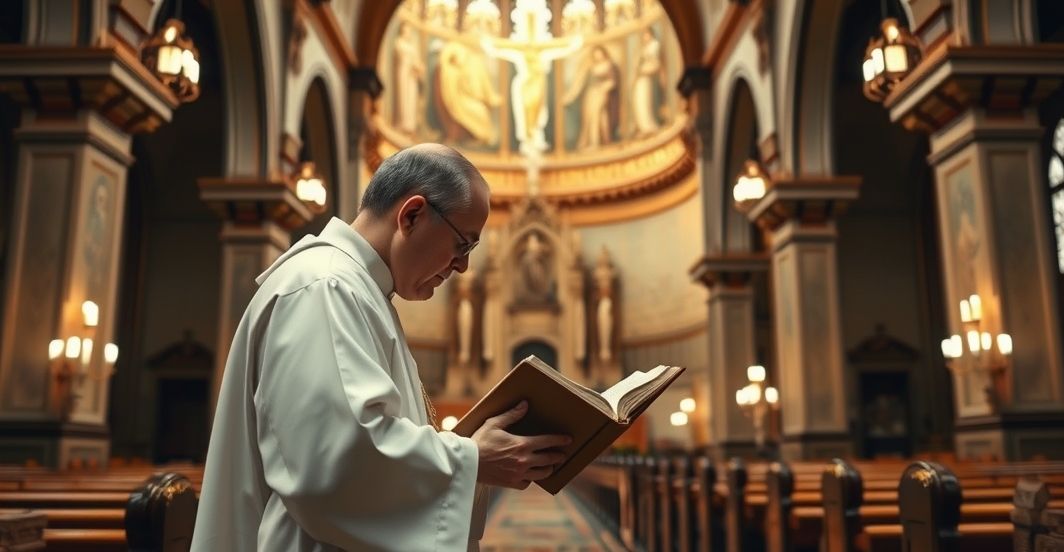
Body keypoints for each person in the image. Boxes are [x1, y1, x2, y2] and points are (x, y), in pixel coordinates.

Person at [192, 144, 571, 551]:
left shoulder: (358, 291)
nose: (463, 267)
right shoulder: (327, 287)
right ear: (411, 215)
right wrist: (472, 458)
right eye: (463, 245)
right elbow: (334, 465)